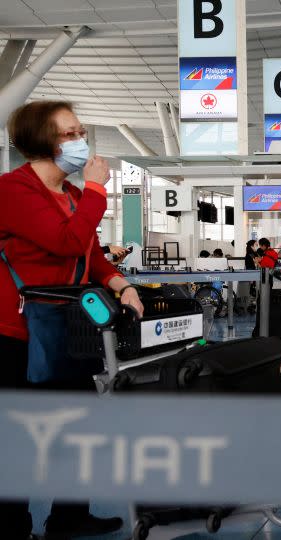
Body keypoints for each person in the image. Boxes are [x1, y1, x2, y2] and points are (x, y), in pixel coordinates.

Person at [0, 100, 146, 539]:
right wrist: (100, 191)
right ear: (39, 141)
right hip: (18, 334)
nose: (80, 140)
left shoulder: (73, 196)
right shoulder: (13, 190)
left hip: (70, 327)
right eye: (68, 133)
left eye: (80, 131)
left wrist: (121, 283)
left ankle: (70, 516)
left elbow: (90, 257)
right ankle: (11, 525)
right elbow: (66, 242)